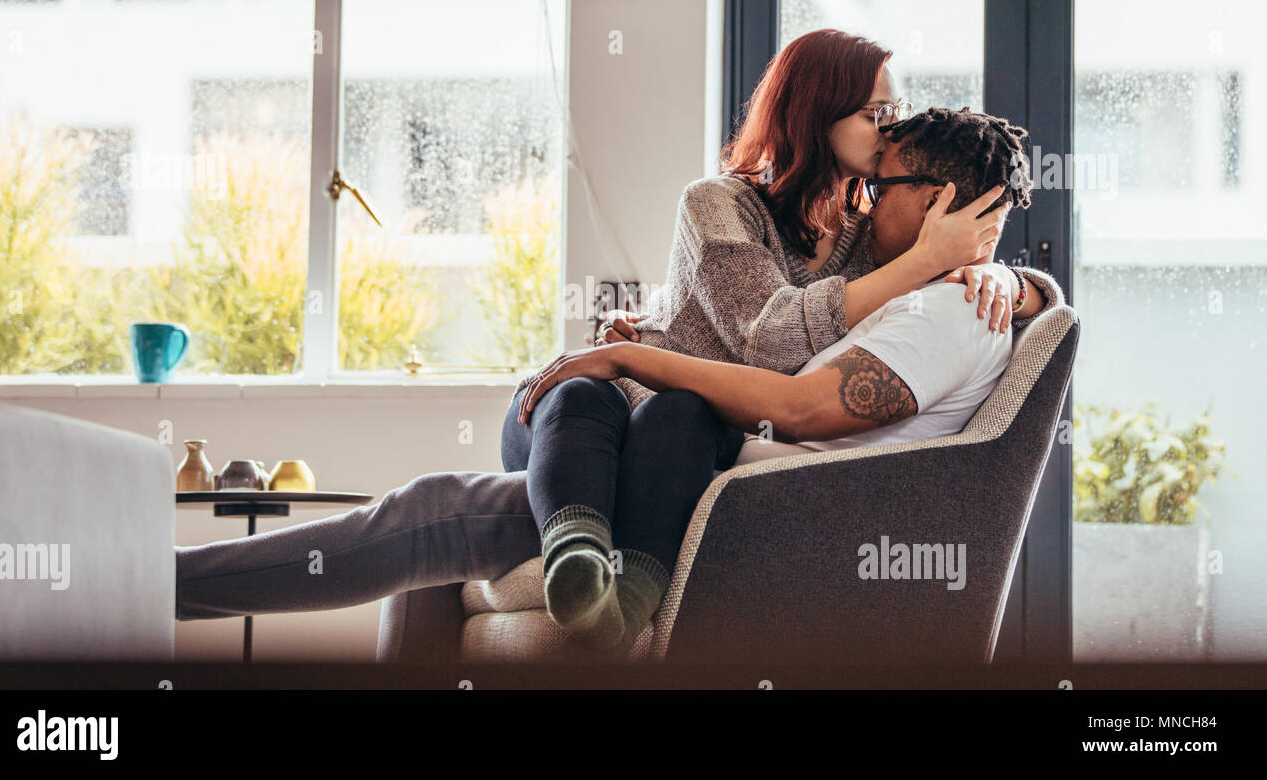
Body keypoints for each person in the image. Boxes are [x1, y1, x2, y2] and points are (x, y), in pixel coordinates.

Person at [177, 106, 1043, 660]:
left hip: (731, 512)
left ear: (934, 199)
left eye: (880, 181)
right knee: (443, 511)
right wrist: (1017, 278)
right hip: (682, 474)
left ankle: (164, 583)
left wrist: (630, 355)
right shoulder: (909, 281)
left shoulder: (952, 310)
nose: (862, 196)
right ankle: (168, 582)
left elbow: (797, 401)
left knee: (433, 516)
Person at [495, 30, 1058, 649]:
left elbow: (964, 279)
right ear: (816, 114)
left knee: (682, 413)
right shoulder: (716, 203)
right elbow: (768, 337)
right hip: (597, 408)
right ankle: (575, 561)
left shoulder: (868, 236)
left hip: (681, 433)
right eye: (876, 114)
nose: (891, 130)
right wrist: (923, 260)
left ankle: (619, 609)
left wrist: (1007, 276)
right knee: (583, 393)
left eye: (893, 112)